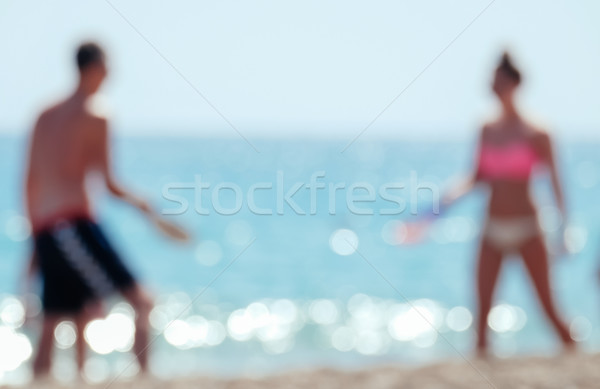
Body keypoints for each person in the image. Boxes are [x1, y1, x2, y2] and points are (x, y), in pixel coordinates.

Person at [25, 42, 154, 378]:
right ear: (94, 67)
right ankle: (144, 378)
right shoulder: (97, 113)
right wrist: (141, 203)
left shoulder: (44, 114)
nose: (111, 73)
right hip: (75, 223)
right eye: (108, 65)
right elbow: (109, 183)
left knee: (60, 318)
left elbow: (29, 181)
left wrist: (35, 236)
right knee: (142, 300)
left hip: (45, 225)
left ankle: (65, 379)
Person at [433, 52, 573, 355]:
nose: (493, 85)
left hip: (528, 228)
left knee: (549, 309)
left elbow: (556, 184)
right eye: (491, 80)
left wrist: (564, 231)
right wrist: (439, 206)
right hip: (491, 228)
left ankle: (580, 357)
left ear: (514, 83)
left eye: (498, 79)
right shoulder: (486, 129)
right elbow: (477, 176)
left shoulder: (538, 131)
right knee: (480, 319)